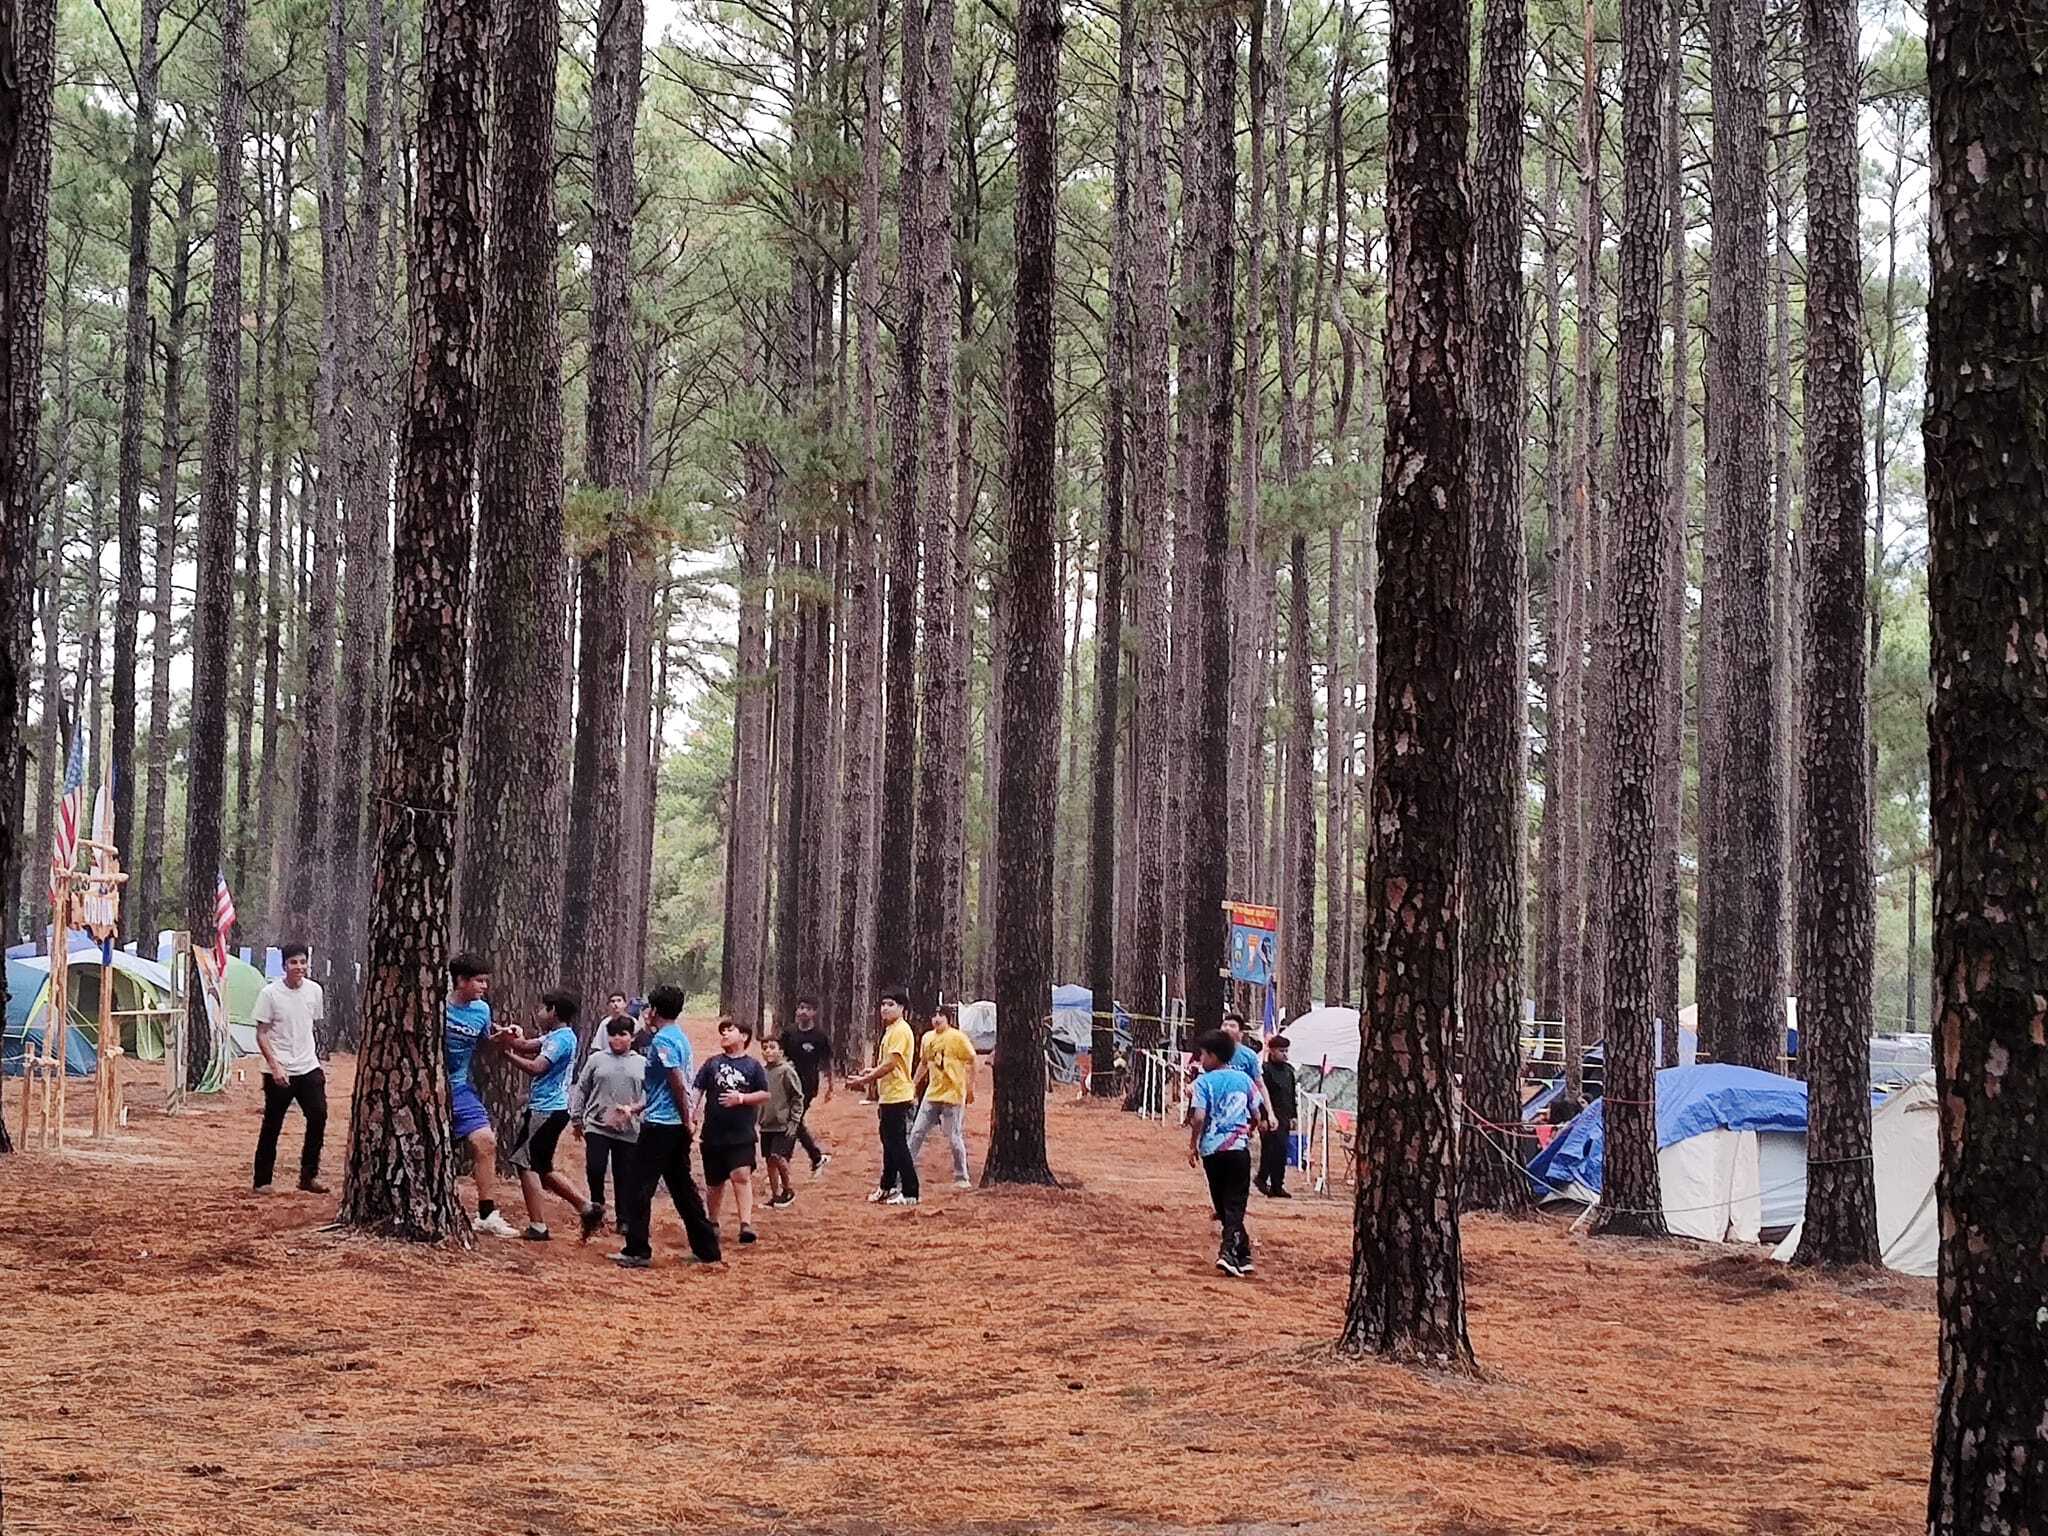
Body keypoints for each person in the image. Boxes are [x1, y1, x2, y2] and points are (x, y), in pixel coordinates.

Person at [615, 985, 722, 1269]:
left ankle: (637, 1249)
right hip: (670, 1122)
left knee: (638, 1185)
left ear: (655, 1010)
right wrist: (638, 1108)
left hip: (663, 1125)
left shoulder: (663, 1041)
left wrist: (687, 1119)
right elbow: (663, 1086)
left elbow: (675, 1081)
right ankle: (707, 1249)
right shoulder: (679, 1037)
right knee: (682, 1186)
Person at [498, 989, 600, 1242]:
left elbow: (536, 1067)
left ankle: (538, 1226)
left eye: (543, 1009)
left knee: (525, 1163)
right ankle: (587, 1208)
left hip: (545, 1110)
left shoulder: (561, 1039)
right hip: (551, 1109)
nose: (539, 1013)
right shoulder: (555, 1036)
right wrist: (504, 1034)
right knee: (542, 1168)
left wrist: (507, 1056)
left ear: (553, 1011)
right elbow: (525, 1045)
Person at [445, 952, 520, 1237]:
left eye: (485, 981)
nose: (484, 987)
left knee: (485, 1141)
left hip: (460, 1086)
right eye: (479, 981)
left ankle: (487, 1214)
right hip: (429, 1087)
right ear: (460, 981)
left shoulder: (481, 1011)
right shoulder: (438, 1004)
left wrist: (502, 1039)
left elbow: (484, 1043)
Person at [252, 943, 329, 1195]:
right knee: (273, 1123)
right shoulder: (270, 994)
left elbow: (310, 1023)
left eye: (302, 962)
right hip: (279, 1068)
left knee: (318, 1116)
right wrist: (275, 1066)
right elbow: (261, 1034)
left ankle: (308, 1175)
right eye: (293, 963)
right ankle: (262, 1180)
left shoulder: (314, 991)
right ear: (284, 965)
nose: (299, 967)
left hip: (308, 1065)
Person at [694, 1017, 771, 1246]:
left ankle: (745, 1224)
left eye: (730, 1030)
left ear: (744, 1036)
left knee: (741, 1175)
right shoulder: (711, 1064)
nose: (725, 1034)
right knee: (714, 1183)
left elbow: (764, 1095)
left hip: (741, 1133)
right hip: (713, 1133)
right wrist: (691, 1114)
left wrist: (742, 1098)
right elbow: (697, 1090)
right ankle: (713, 1222)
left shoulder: (753, 1066)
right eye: (723, 1031)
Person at [1187, 1029, 1257, 1277]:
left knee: (1224, 1202)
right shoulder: (1244, 1080)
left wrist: (1193, 1143)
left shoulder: (1204, 1083)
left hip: (1212, 1151)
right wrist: (1249, 1130)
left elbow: (1199, 1116)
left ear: (1214, 1056)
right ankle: (1242, 1252)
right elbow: (1256, 1112)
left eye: (1204, 1055)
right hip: (1238, 1149)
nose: (1201, 1060)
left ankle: (1230, 1252)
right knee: (1233, 1203)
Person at [570, 1014, 643, 1239]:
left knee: (624, 1174)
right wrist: (576, 1116)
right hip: (597, 1124)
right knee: (595, 1167)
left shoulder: (641, 1063)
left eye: (622, 1034)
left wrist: (634, 1110)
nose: (617, 1039)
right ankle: (597, 1208)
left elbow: (650, 1093)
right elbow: (582, 1087)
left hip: (628, 1127)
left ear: (632, 1037)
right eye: (612, 1034)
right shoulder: (597, 1060)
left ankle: (624, 1218)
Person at [845, 987, 919, 1206]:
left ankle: (911, 1191)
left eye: (891, 1005)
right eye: (883, 1005)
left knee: (897, 1145)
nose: (885, 1009)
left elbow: (892, 1063)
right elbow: (887, 1064)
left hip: (898, 1095)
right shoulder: (891, 1030)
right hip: (888, 1096)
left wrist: (865, 1081)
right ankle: (887, 1186)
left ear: (902, 1008)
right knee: (888, 1144)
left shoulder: (901, 1030)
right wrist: (870, 1073)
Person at [907, 1003, 976, 1188]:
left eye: (941, 1016)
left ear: (948, 1019)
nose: (937, 1020)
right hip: (932, 1094)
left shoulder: (957, 1038)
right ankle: (904, 1169)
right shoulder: (927, 1038)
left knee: (953, 1136)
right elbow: (924, 1063)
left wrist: (970, 1088)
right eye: (934, 1016)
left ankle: (962, 1176)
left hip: (953, 1094)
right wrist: (913, 1085)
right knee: (917, 1131)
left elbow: (972, 1060)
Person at [781, 995, 834, 1174]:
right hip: (788, 1084)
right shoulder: (789, 1033)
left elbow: (827, 1062)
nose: (803, 1011)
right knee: (795, 1121)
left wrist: (830, 1086)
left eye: (807, 1008)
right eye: (800, 1007)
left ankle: (784, 1164)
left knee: (793, 1121)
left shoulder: (819, 1037)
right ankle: (816, 1157)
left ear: (814, 1012)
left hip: (808, 1087)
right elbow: (780, 1056)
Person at [758, 1034, 807, 1209]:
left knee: (778, 1157)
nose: (768, 1051)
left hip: (783, 1124)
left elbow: (797, 1097)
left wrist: (794, 1121)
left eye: (772, 1047)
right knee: (769, 1161)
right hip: (766, 1125)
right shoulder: (762, 1072)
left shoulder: (786, 1071)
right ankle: (775, 1195)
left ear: (781, 1051)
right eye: (764, 1048)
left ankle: (788, 1189)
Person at [1221, 1010, 1279, 1133]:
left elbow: (1260, 1084)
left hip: (1243, 1113)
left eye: (1232, 1026)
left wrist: (1269, 1113)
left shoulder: (1249, 1056)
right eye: (1224, 1025)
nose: (1227, 1029)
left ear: (1241, 1033)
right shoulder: (1213, 1053)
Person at [1256, 1033, 1298, 1198]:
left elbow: (1291, 1094)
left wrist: (1293, 1116)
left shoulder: (1289, 1071)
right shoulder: (1265, 1070)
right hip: (1270, 1115)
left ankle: (1277, 1184)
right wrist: (1264, 1117)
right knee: (1269, 1150)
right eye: (1281, 1050)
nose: (1285, 1054)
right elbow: (1261, 1095)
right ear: (1272, 1051)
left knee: (1281, 1151)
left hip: (1285, 1116)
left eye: (1286, 1050)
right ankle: (1262, 1178)